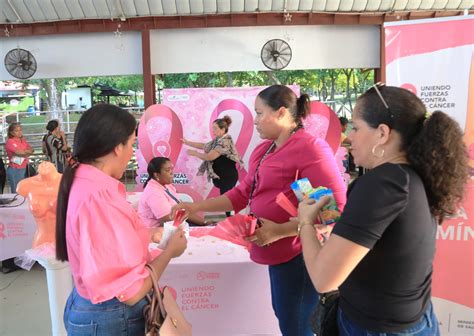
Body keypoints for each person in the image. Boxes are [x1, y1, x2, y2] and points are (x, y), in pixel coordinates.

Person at [175, 85, 347, 336]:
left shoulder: (310, 149)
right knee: (286, 318)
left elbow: (333, 211)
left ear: (280, 113)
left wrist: (281, 231)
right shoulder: (265, 149)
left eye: (258, 113)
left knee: (296, 326)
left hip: (299, 255)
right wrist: (196, 206)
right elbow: (241, 194)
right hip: (275, 252)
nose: (254, 121)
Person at [297, 84, 469, 336]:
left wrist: (306, 223)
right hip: (412, 319)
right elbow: (388, 244)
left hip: (378, 327)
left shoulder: (383, 183)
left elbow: (324, 279)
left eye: (355, 128)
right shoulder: (408, 177)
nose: (349, 138)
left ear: (382, 133)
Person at [55, 104, 187, 335]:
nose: (132, 153)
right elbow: (131, 291)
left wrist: (147, 235)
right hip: (112, 316)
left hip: (93, 307)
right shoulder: (98, 197)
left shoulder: (86, 182)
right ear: (117, 147)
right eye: (132, 144)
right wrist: (170, 252)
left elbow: (104, 245)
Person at [183, 115, 243, 216]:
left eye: (215, 128)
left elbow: (210, 157)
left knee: (227, 202)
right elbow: (204, 145)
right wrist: (187, 142)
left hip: (227, 176)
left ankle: (232, 222)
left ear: (223, 129)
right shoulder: (217, 140)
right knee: (226, 201)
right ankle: (231, 220)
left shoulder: (225, 142)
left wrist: (195, 153)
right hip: (223, 176)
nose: (213, 131)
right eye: (212, 128)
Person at [138, 157, 208, 227]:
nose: (172, 173)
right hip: (159, 231)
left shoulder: (167, 186)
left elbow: (182, 210)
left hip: (176, 225)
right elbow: (167, 221)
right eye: (168, 170)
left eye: (172, 169)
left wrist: (204, 223)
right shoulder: (153, 192)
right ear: (156, 175)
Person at [17, 161, 61, 248]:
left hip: (65, 241)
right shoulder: (25, 185)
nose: (45, 163)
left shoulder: (70, 182)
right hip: (41, 240)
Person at [5, 122, 33, 193]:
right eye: (16, 131)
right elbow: (20, 153)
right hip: (15, 170)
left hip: (25, 168)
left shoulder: (23, 140)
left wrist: (24, 152)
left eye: (20, 130)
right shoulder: (10, 142)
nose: (19, 132)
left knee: (24, 191)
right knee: (17, 192)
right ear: (11, 132)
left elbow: (32, 150)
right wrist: (26, 152)